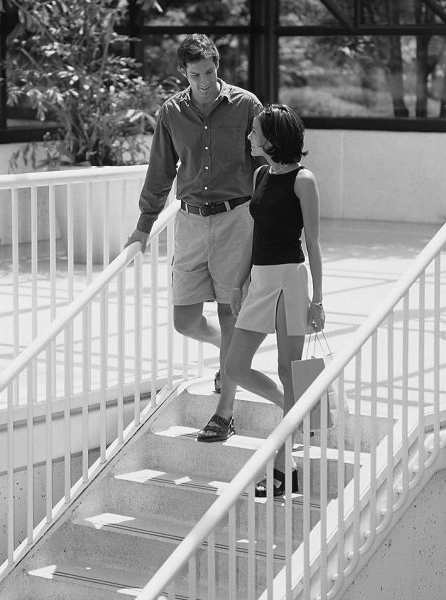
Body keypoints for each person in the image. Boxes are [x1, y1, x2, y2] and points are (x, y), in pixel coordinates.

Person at [125, 34, 264, 442]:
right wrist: (143, 225)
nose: (204, 82)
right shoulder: (172, 112)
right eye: (195, 75)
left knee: (229, 312)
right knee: (184, 320)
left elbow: (264, 164)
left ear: (217, 65)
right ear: (183, 73)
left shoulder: (246, 105)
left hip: (236, 219)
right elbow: (161, 171)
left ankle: (225, 413)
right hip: (189, 222)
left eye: (210, 72)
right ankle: (232, 354)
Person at [224, 104, 325, 497]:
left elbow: (313, 243)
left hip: (289, 281)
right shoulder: (261, 173)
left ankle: (283, 469)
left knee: (289, 369)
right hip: (261, 279)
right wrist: (238, 281)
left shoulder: (304, 180)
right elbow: (255, 233)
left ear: (273, 138)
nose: (250, 137)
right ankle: (294, 410)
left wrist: (318, 299)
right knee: (235, 366)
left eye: (254, 132)